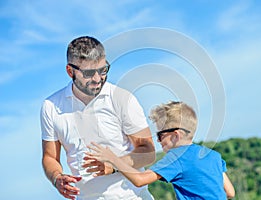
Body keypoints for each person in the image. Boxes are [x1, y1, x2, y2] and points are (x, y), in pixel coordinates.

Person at [40, 36, 155, 200]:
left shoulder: (122, 99)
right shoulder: (50, 106)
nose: (97, 79)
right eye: (88, 73)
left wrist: (114, 165)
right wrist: (56, 178)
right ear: (70, 71)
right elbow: (50, 157)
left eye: (103, 70)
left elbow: (149, 152)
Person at [86, 101, 235, 199]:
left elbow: (140, 180)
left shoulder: (177, 157)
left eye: (160, 135)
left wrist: (113, 159)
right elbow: (230, 192)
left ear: (175, 135)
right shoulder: (213, 155)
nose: (157, 140)